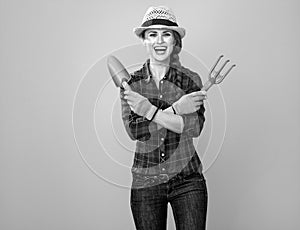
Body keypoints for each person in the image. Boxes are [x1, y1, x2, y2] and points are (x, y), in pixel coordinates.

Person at [120, 6, 208, 230]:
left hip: (187, 180)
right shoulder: (132, 85)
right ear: (144, 40)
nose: (159, 40)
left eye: (166, 33)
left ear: (174, 40)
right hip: (145, 182)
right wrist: (177, 109)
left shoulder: (190, 79)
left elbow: (194, 127)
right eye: (152, 34)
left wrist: (148, 111)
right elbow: (135, 131)